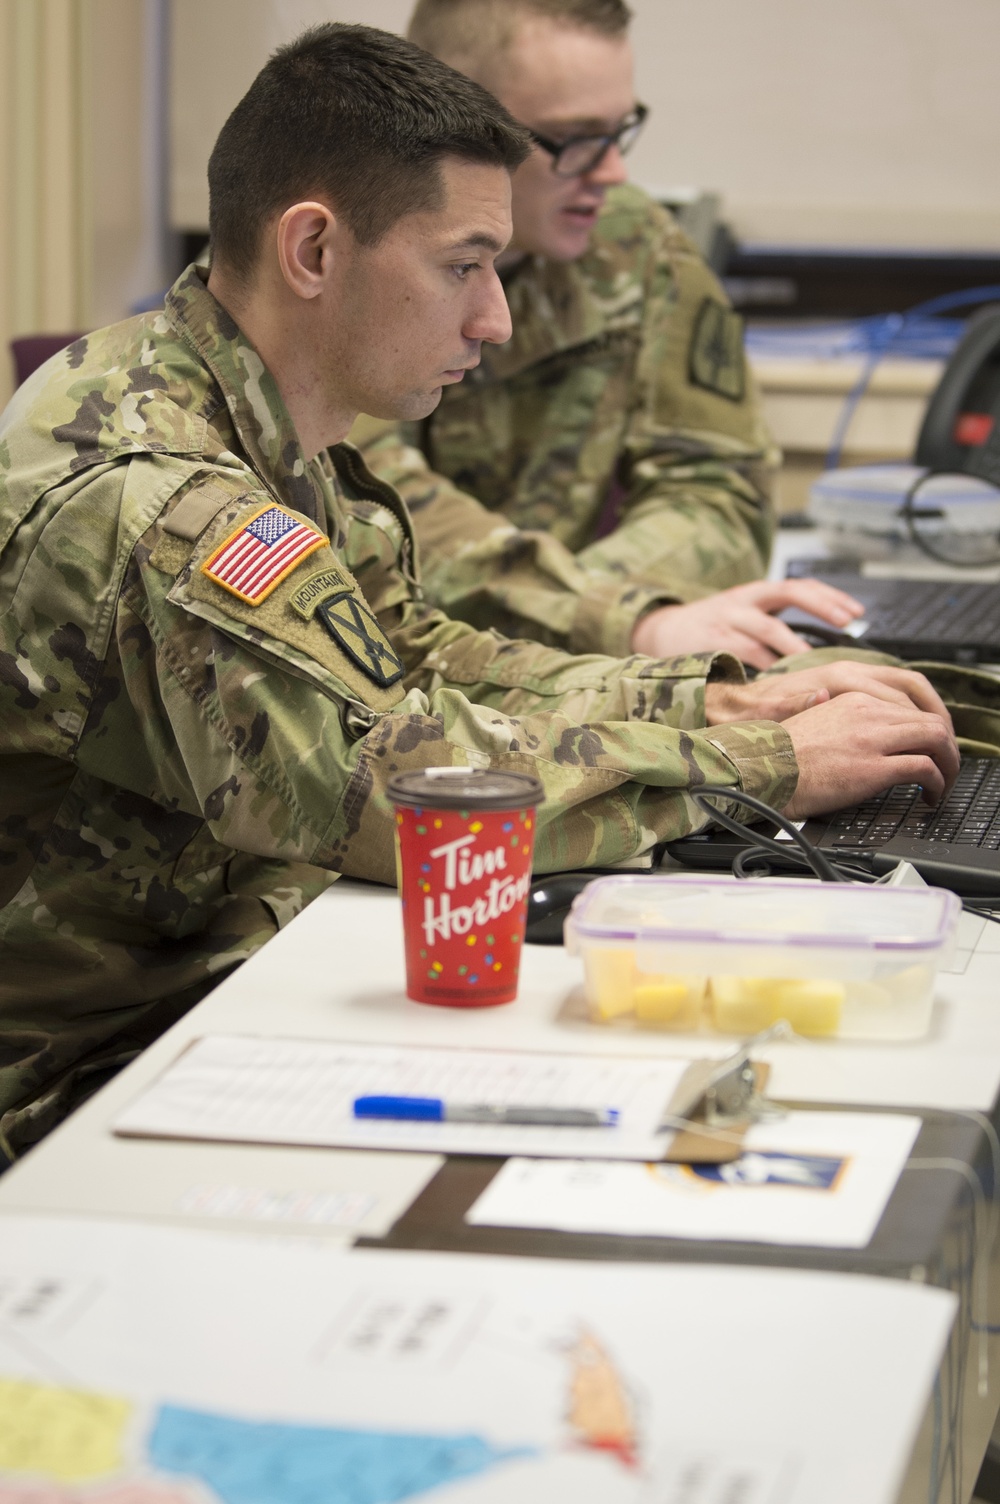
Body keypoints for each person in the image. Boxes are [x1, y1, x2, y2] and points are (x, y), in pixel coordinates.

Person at [0, 23, 956, 1159]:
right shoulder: (166, 505)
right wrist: (768, 770)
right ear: (313, 248)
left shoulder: (246, 409)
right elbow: (389, 794)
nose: (494, 318)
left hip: (237, 961)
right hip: (92, 1080)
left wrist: (719, 702)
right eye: (462, 267)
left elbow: (412, 656)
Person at [354, 0, 858, 670]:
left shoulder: (634, 246)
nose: (614, 171)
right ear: (446, 121)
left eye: (621, 130)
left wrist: (608, 615)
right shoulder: (336, 268)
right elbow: (371, 520)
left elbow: (718, 493)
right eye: (574, 137)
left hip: (580, 674)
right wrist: (616, 617)